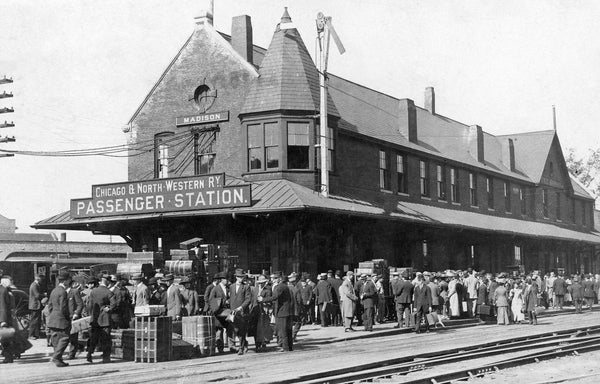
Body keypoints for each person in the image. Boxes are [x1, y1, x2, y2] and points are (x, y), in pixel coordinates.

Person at [87, 273, 117, 364]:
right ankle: (106, 357)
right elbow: (114, 304)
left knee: (93, 338)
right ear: (107, 281)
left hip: (95, 318)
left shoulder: (93, 291)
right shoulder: (109, 292)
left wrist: (91, 315)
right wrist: (109, 308)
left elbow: (89, 305)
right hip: (105, 319)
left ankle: (89, 353)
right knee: (106, 338)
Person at [259, 271, 293, 352]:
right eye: (272, 278)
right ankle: (289, 346)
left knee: (283, 330)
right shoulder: (284, 286)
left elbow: (274, 297)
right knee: (288, 330)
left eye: (274, 278)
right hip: (286, 311)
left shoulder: (279, 287)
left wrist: (262, 299)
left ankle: (285, 347)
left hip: (282, 312)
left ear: (279, 279)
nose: (272, 280)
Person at [47, 270, 73, 367]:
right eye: (69, 280)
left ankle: (59, 360)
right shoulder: (63, 292)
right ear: (65, 281)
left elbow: (49, 306)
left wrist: (53, 315)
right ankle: (56, 357)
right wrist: (68, 318)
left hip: (53, 318)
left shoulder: (54, 290)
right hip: (61, 319)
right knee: (65, 338)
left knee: (55, 340)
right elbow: (63, 308)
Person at [228, 269, 251, 355]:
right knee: (235, 330)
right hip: (233, 312)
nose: (241, 278)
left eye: (242, 277)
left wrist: (241, 307)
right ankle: (245, 343)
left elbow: (248, 299)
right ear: (236, 277)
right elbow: (231, 298)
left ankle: (241, 348)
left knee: (242, 330)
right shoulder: (231, 286)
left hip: (242, 312)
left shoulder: (246, 287)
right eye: (239, 277)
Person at [249, 275, 272, 352]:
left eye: (262, 283)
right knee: (255, 328)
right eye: (259, 283)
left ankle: (263, 342)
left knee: (262, 328)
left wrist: (263, 300)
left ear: (265, 283)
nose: (260, 284)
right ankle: (257, 344)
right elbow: (252, 300)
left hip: (263, 311)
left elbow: (269, 300)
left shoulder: (268, 290)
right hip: (255, 310)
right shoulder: (254, 290)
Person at [208, 271, 230, 353]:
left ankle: (231, 346)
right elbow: (211, 300)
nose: (227, 281)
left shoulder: (228, 288)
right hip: (218, 313)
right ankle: (220, 348)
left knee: (230, 328)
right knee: (219, 330)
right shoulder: (215, 289)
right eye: (226, 279)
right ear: (221, 280)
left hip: (227, 312)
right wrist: (221, 303)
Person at [66, 279, 84, 360]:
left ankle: (72, 353)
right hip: (64, 317)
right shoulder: (61, 292)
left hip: (73, 317)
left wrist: (76, 313)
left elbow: (80, 304)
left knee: (73, 336)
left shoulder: (74, 292)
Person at [0, 275, 16, 363]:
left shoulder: (2, 290)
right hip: (4, 318)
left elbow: (3, 306)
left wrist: (3, 320)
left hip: (3, 319)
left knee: (5, 339)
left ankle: (8, 357)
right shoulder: (4, 289)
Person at [287, 273, 303, 341]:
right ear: (294, 282)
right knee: (298, 322)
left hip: (287, 309)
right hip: (295, 309)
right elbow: (299, 301)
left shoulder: (286, 289)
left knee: (289, 323)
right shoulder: (296, 290)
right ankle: (293, 335)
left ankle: (290, 336)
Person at [28, 274, 44, 339]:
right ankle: (31, 335)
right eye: (41, 279)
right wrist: (44, 295)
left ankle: (36, 334)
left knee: (37, 320)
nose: (42, 281)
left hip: (36, 305)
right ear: (38, 279)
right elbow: (37, 295)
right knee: (34, 321)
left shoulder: (35, 285)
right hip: (35, 305)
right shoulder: (34, 285)